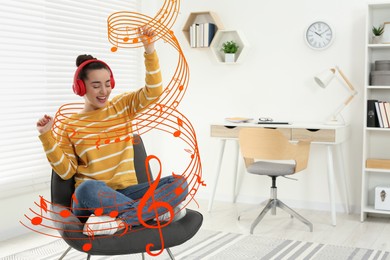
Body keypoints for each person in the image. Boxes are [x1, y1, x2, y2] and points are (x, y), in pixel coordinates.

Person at [36, 27, 188, 236]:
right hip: (92, 198)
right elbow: (65, 172)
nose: (104, 91)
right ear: (80, 88)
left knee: (178, 183)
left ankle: (121, 220)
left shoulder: (122, 106)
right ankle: (152, 214)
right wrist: (46, 135)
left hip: (126, 193)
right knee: (86, 188)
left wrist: (149, 49)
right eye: (96, 85)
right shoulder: (70, 125)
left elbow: (153, 92)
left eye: (107, 84)